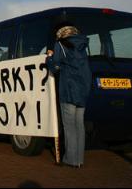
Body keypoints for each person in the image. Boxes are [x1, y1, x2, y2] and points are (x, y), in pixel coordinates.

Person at [46, 25, 92, 168]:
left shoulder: (60, 44)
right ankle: (79, 160)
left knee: (69, 126)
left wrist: (49, 57)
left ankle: (70, 159)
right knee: (79, 125)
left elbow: (55, 66)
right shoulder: (83, 46)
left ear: (62, 34)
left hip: (69, 90)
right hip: (83, 90)